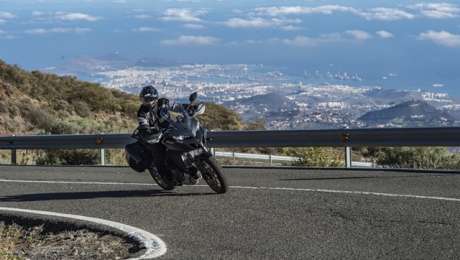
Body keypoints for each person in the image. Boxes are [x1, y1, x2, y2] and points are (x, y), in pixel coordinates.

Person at [137, 85, 172, 181]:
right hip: (156, 134)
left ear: (155, 98)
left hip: (170, 129)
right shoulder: (142, 111)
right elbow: (142, 122)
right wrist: (146, 128)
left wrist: (188, 108)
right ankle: (164, 175)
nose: (146, 102)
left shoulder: (163, 102)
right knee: (158, 152)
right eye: (144, 99)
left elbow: (176, 107)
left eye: (149, 99)